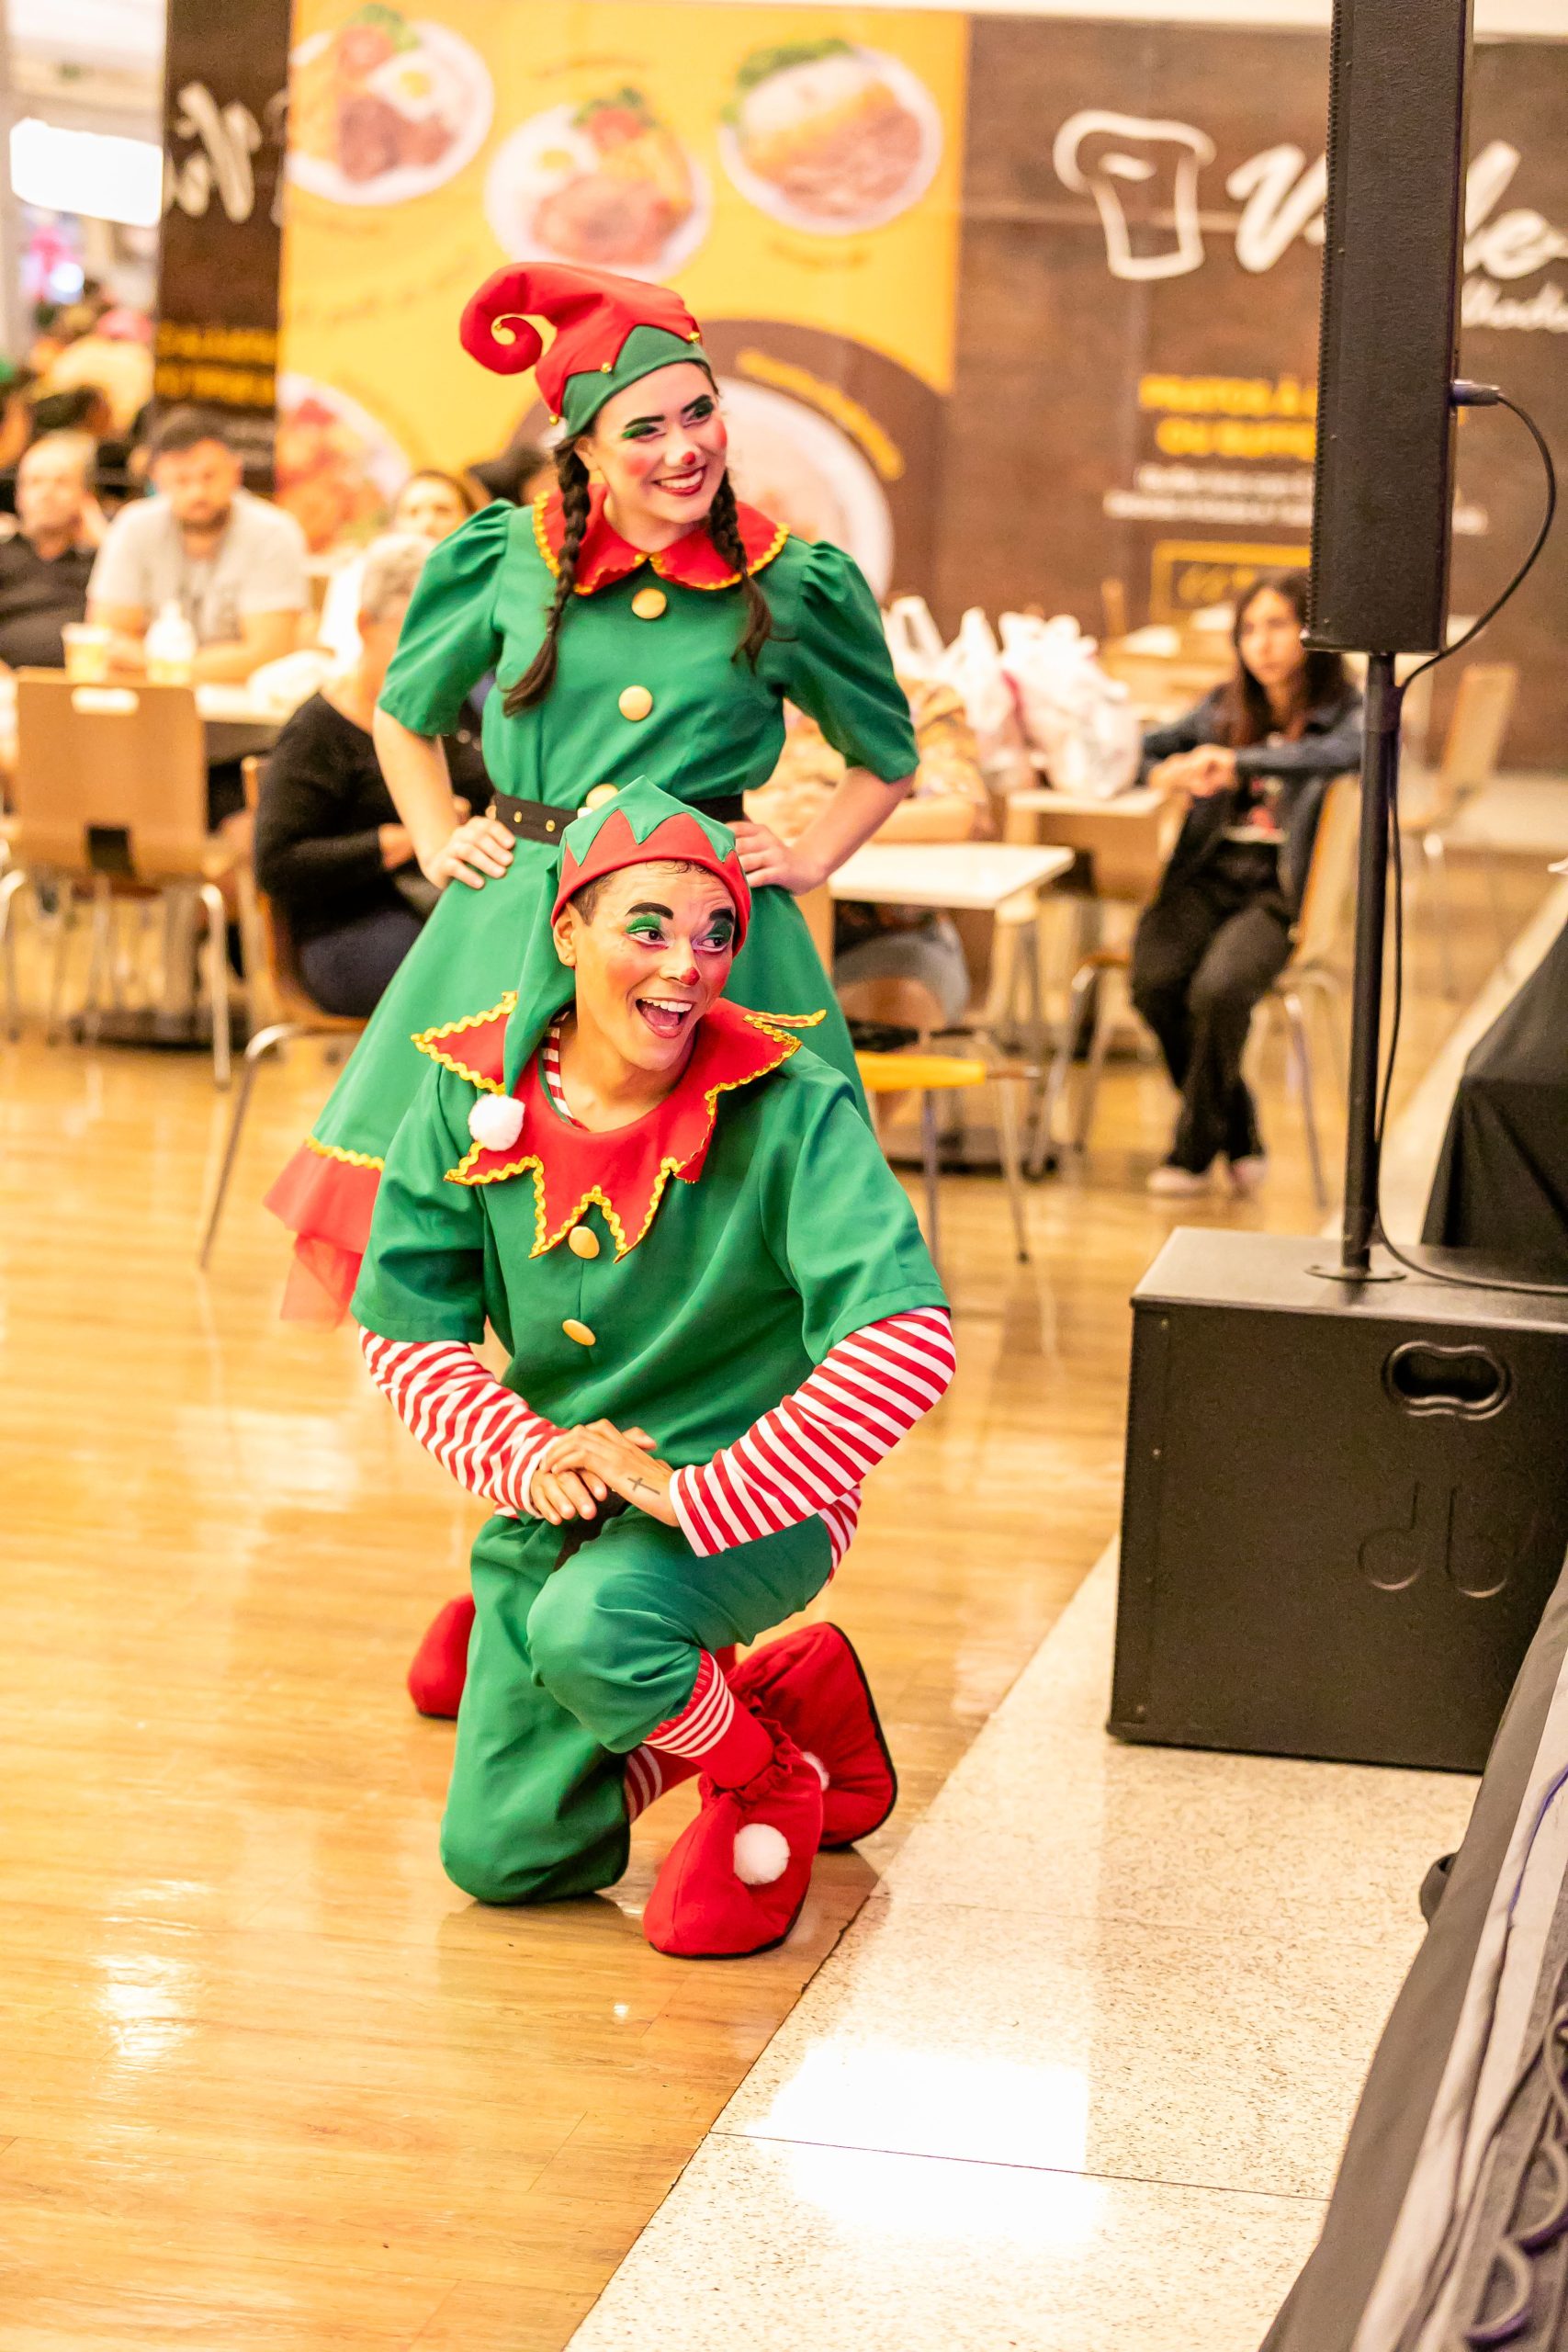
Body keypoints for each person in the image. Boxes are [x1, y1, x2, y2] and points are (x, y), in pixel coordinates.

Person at [352, 778, 953, 1957]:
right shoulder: (467, 1087)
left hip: (759, 1505)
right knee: (509, 1856)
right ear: (567, 927)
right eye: (649, 928)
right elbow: (405, 1328)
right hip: (564, 1498)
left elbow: (905, 1339)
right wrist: (529, 1458)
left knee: (592, 1626)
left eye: (716, 932)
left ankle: (761, 1769)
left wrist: (701, 1492)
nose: (689, 966)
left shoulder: (790, 1105)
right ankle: (780, 1697)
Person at [267, 263, 918, 1330]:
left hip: (707, 934)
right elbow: (403, 710)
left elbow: (886, 755)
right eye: (647, 429)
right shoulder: (502, 559)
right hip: (522, 917)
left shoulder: (794, 578)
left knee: (711, 1216)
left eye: (700, 412)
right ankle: (533, 1452)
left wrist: (806, 857)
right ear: (584, 452)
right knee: (483, 1196)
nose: (686, 446)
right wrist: (435, 837)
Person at [1129, 571, 1362, 1196]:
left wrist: (1238, 762)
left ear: (1312, 633)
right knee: (1152, 982)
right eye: (1248, 630)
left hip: (1277, 890)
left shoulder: (1346, 711)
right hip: (1204, 872)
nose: (1260, 644)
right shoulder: (1221, 707)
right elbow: (1141, 749)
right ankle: (1240, 1130)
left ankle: (1191, 1148)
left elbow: (1344, 755)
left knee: (1219, 990)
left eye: (1277, 626)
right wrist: (1167, 773)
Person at [87, 405, 310, 824]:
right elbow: (108, 640)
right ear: (157, 482)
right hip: (148, 735)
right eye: (180, 481)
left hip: (250, 743)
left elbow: (268, 651)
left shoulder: (274, 533)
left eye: (209, 476)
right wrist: (217, 663)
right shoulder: (134, 528)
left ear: (235, 471)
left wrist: (154, 663)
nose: (196, 493)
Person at [254, 536, 437, 1018]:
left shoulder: (453, 712)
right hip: (347, 929)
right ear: (364, 626)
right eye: (414, 628)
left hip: (438, 910)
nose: (434, 648)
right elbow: (278, 864)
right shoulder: (319, 729)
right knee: (463, 978)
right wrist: (411, 837)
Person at [315, 469, 479, 665]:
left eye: (442, 510)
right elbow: (339, 655)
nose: (427, 523)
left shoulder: (483, 584)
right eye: (412, 512)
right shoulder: (356, 575)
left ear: (469, 520)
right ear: (395, 523)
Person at [0, 434, 102, 671]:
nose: (47, 493)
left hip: (84, 684)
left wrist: (105, 541)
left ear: (85, 496)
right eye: (35, 482)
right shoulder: (3, 553)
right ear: (19, 496)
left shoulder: (102, 561)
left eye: (62, 482)